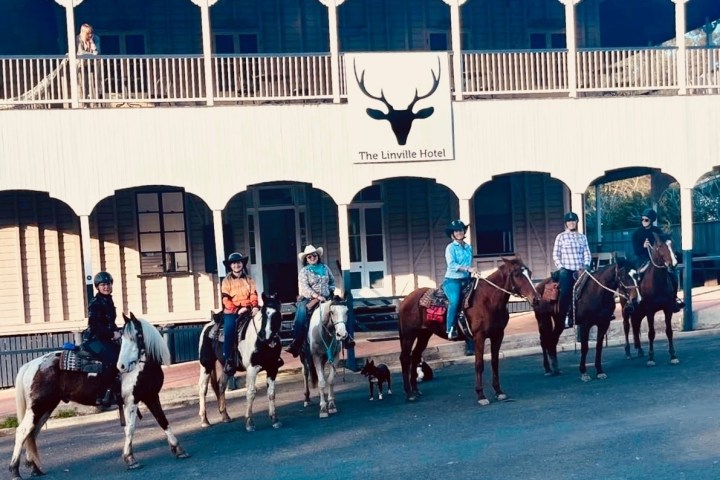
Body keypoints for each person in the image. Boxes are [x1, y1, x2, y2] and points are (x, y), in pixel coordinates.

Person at [286, 245, 354, 357]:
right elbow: (304, 287)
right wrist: (316, 296)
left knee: (340, 311)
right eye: (309, 257)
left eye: (314, 255)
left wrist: (330, 291)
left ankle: (346, 337)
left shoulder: (325, 268)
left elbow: (332, 281)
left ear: (318, 256)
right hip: (309, 298)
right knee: (301, 314)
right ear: (306, 259)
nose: (312, 257)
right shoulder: (304, 271)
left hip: (327, 297)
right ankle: (296, 343)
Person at [631, 208, 684, 312]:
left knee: (671, 273)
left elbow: (664, 246)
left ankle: (674, 298)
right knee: (635, 275)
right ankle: (634, 299)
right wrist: (643, 246)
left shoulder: (657, 231)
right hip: (643, 258)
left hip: (658, 259)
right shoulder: (636, 234)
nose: (643, 222)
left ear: (651, 220)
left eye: (646, 220)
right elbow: (636, 250)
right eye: (642, 219)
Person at [220, 252, 260, 376]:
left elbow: (253, 294)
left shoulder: (249, 279)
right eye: (234, 263)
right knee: (230, 330)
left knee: (263, 322)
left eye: (238, 262)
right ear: (230, 266)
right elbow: (225, 300)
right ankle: (229, 360)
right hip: (232, 311)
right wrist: (237, 310)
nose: (236, 265)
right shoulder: (226, 281)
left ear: (242, 264)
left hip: (248, 309)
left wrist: (255, 306)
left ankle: (269, 354)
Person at [85, 271, 121, 407]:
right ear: (97, 287)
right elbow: (94, 326)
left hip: (105, 338)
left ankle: (116, 389)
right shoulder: (96, 303)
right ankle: (100, 395)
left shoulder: (108, 300)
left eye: (109, 284)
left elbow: (110, 322)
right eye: (103, 284)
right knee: (111, 360)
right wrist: (112, 335)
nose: (106, 287)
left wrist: (118, 331)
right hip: (93, 339)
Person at [552, 212, 592, 328]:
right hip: (567, 269)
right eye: (569, 221)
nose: (571, 223)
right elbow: (556, 254)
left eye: (573, 220)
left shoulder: (582, 237)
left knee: (593, 288)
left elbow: (587, 253)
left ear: (576, 222)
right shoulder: (561, 237)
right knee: (565, 292)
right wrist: (561, 267)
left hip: (580, 269)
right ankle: (564, 316)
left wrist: (586, 264)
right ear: (566, 223)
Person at [444, 220, 476, 340]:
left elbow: (468, 262)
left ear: (464, 232)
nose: (459, 232)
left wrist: (471, 271)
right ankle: (450, 328)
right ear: (452, 234)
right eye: (456, 231)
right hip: (453, 280)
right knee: (455, 301)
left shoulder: (468, 247)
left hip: (467, 279)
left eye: (461, 230)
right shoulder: (450, 248)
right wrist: (468, 269)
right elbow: (452, 265)